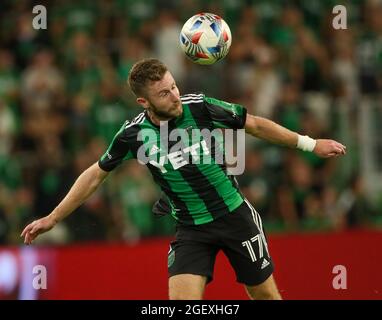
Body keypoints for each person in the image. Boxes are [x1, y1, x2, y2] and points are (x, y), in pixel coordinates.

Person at [21, 58, 346, 300]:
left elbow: (256, 125)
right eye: (164, 93)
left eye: (174, 86)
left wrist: (310, 143)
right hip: (191, 229)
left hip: (235, 217)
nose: (175, 96)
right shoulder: (133, 135)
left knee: (266, 297)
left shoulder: (201, 107)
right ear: (143, 102)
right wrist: (52, 217)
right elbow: (95, 175)